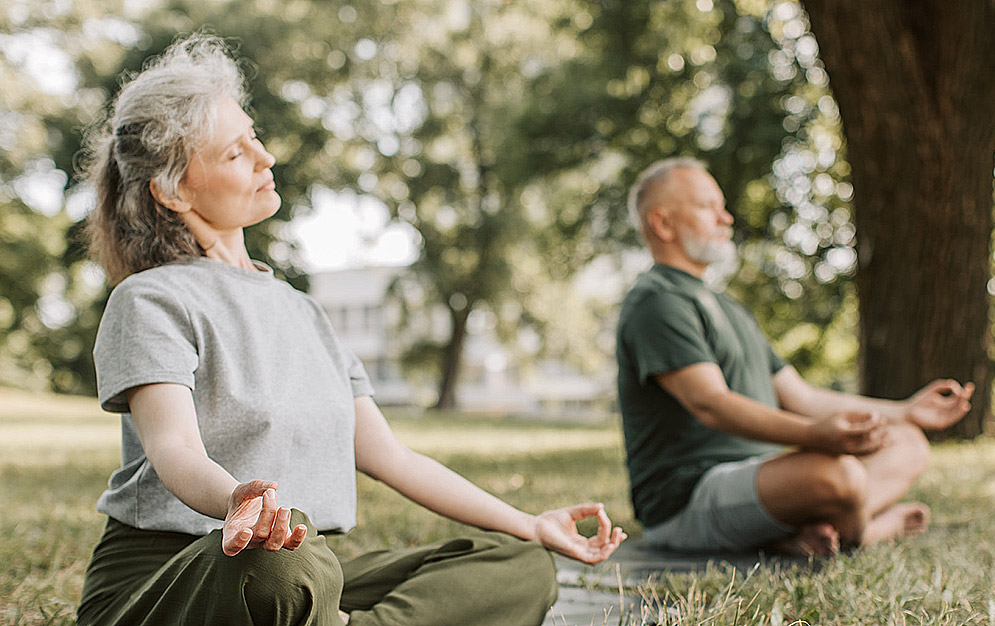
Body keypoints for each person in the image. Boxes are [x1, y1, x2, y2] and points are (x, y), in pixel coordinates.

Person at [76, 34, 624, 626]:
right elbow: (174, 450)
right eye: (236, 154)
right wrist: (235, 502)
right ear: (173, 190)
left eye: (254, 138)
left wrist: (529, 522)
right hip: (184, 574)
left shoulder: (303, 312)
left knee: (520, 563)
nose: (266, 158)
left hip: (306, 572)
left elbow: (389, 455)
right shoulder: (150, 299)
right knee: (280, 568)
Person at [616, 157, 973, 556]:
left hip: (765, 481)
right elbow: (711, 404)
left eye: (722, 206)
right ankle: (867, 530)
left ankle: (799, 532)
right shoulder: (658, 302)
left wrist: (904, 411)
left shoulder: (729, 309)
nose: (726, 218)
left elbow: (803, 399)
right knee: (839, 475)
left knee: (908, 442)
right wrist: (814, 436)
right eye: (707, 207)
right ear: (662, 223)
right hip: (687, 498)